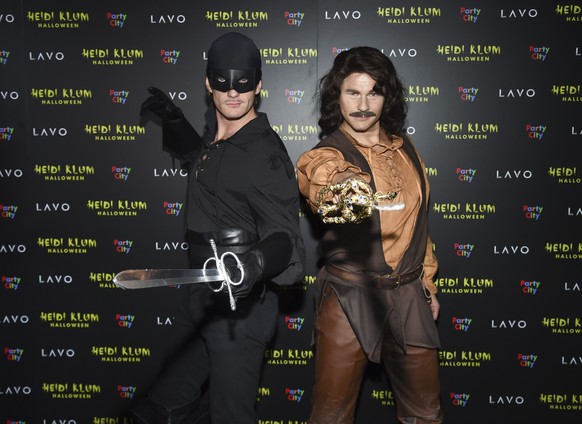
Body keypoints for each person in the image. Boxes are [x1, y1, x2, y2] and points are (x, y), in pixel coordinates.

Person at [132, 32, 305, 424]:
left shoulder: (267, 156)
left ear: (258, 85)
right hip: (200, 297)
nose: (232, 92)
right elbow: (206, 165)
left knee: (230, 416)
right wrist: (175, 123)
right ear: (208, 82)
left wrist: (255, 263)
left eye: (243, 82)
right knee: (162, 406)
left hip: (239, 308)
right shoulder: (217, 131)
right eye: (222, 81)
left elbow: (286, 239)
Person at [296, 46, 443, 423]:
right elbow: (326, 187)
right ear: (337, 96)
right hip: (350, 297)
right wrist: (345, 186)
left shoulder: (407, 150)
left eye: (373, 92)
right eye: (352, 92)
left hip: (409, 294)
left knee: (425, 413)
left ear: (386, 96)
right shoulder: (325, 156)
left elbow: (418, 225)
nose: (363, 104)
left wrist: (427, 282)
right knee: (331, 414)